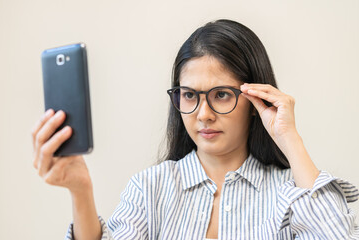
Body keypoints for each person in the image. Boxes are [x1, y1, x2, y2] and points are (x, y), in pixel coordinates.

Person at [32, 19, 359, 240]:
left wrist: (290, 139)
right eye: (189, 95)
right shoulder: (152, 188)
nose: (203, 115)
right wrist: (80, 191)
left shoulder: (290, 193)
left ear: (256, 97)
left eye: (221, 95)